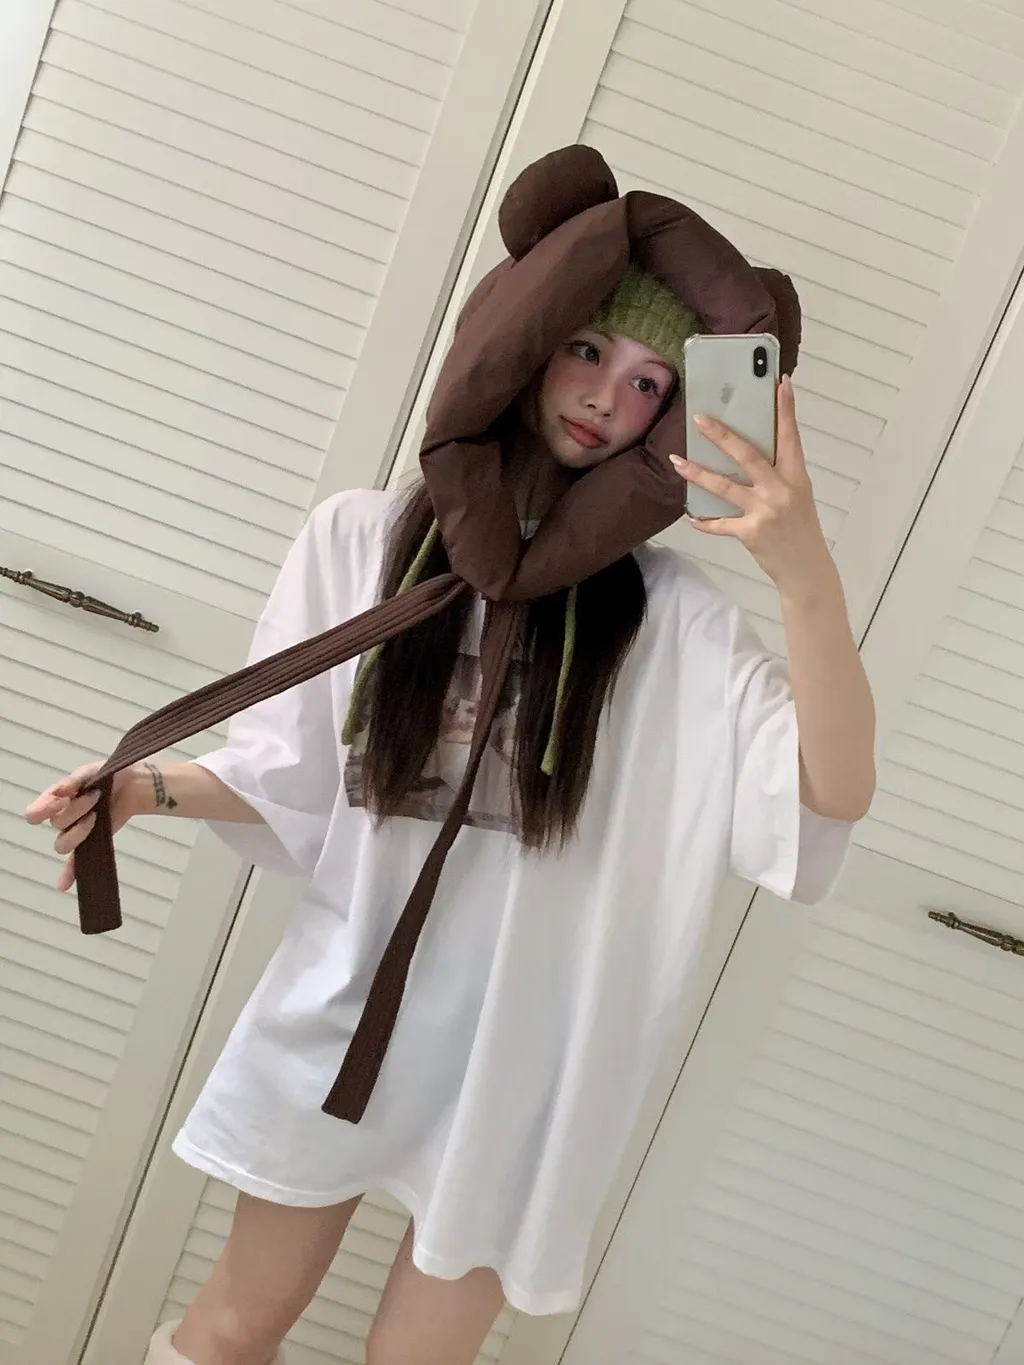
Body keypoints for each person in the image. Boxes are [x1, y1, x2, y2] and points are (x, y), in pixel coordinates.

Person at [24, 149, 875, 1365]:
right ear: (519, 336)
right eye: (584, 348)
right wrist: (143, 791)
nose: (604, 397)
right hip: (346, 1007)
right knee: (230, 1330)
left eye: (647, 383)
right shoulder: (360, 539)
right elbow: (292, 781)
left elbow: (830, 795)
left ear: (676, 415)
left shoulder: (674, 624)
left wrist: (804, 574)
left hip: (525, 1065)